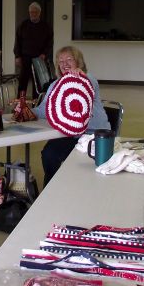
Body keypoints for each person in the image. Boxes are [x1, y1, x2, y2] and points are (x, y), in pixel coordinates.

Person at [34, 46, 109, 186]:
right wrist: (26, 112)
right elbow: (44, 110)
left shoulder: (88, 79)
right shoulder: (55, 85)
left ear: (79, 62)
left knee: (80, 162)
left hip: (92, 134)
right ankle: (51, 189)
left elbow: (85, 85)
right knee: (49, 154)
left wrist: (80, 76)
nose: (65, 64)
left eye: (69, 59)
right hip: (68, 134)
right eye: (61, 61)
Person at [14, 2, 53, 98]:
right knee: (23, 80)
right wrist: (17, 56)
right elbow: (17, 42)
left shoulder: (45, 26)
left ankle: (37, 102)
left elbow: (49, 42)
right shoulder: (23, 25)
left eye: (35, 12)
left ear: (39, 13)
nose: (33, 14)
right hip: (25, 57)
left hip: (39, 58)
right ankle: (20, 102)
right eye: (31, 12)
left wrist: (44, 53)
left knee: (38, 82)